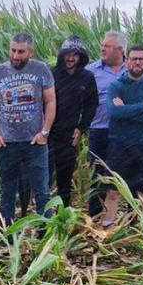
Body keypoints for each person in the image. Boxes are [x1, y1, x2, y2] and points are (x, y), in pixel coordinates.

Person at [0, 32, 56, 225]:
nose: (16, 56)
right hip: (6, 143)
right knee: (8, 192)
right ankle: (8, 235)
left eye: (21, 52)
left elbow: (50, 102)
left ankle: (44, 234)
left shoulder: (41, 70)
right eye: (13, 50)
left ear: (30, 52)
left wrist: (44, 133)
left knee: (42, 192)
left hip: (35, 143)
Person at [99, 44, 143, 226]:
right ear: (127, 61)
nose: (137, 62)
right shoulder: (116, 86)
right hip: (119, 146)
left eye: (141, 59)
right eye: (134, 58)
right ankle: (106, 233)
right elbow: (113, 113)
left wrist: (126, 110)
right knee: (113, 192)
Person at [48, 35, 98, 210]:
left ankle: (63, 215)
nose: (71, 58)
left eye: (75, 54)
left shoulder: (87, 78)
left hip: (70, 137)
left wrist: (81, 127)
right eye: (68, 54)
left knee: (64, 180)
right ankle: (43, 218)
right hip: (48, 134)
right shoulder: (51, 75)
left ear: (81, 57)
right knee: (44, 179)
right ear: (62, 55)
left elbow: (92, 105)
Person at [85, 31, 127, 216]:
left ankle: (113, 216)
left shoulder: (132, 69)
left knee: (119, 174)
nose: (102, 48)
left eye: (107, 46)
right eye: (102, 45)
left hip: (124, 131)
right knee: (97, 174)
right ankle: (94, 215)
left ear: (120, 50)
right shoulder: (91, 70)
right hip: (98, 130)